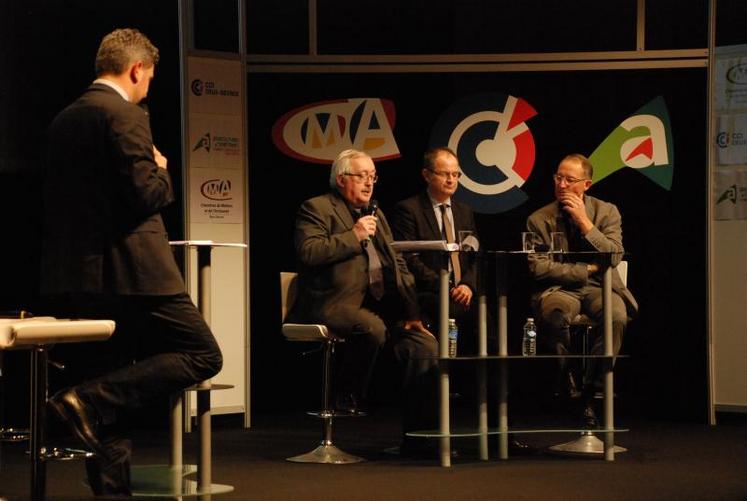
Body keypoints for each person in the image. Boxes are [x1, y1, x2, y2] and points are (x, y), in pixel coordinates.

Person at [40, 29, 222, 496]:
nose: (148, 87)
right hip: (136, 270)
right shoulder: (125, 114)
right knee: (203, 353)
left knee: (106, 382)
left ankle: (110, 486)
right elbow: (146, 195)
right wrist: (161, 168)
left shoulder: (64, 118)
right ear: (137, 69)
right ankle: (84, 400)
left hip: (79, 272)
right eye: (150, 77)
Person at [290, 148, 438, 454]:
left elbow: (397, 262)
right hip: (331, 304)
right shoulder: (316, 207)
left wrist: (411, 313)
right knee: (370, 328)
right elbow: (309, 252)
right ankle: (346, 394)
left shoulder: (376, 213)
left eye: (373, 176)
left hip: (379, 307)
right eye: (362, 176)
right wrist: (353, 235)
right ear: (342, 179)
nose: (369, 183)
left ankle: (419, 439)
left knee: (424, 346)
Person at [526, 153, 637, 427]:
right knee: (554, 316)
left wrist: (585, 223)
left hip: (601, 287)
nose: (562, 184)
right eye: (558, 178)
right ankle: (568, 381)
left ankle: (590, 389)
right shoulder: (539, 219)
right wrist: (585, 270)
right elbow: (538, 268)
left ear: (586, 185)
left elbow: (613, 256)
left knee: (617, 318)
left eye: (569, 179)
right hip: (561, 289)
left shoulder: (606, 211)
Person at [391, 146, 479, 349]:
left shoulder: (464, 211)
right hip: (429, 293)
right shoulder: (408, 210)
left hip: (463, 293)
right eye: (444, 174)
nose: (451, 180)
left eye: (455, 174)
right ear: (426, 175)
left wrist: (467, 285)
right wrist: (447, 287)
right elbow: (408, 259)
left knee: (488, 327)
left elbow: (475, 255)